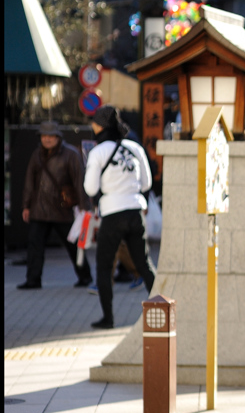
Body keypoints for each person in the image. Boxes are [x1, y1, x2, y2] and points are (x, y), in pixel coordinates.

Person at [83, 106, 157, 329]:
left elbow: (90, 187)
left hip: (112, 213)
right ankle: (162, 311)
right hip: (135, 212)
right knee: (144, 263)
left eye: (94, 122)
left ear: (102, 126)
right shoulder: (135, 148)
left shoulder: (98, 151)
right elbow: (147, 184)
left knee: (104, 267)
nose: (92, 126)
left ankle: (108, 318)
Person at [18, 121, 93, 290]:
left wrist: (83, 206)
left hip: (62, 209)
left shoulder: (71, 154)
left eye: (51, 136)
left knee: (73, 245)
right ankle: (33, 280)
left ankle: (85, 277)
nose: (47, 139)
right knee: (34, 246)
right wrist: (26, 206)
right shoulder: (36, 155)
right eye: (44, 136)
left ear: (58, 137)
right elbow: (30, 182)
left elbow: (78, 182)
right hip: (39, 208)